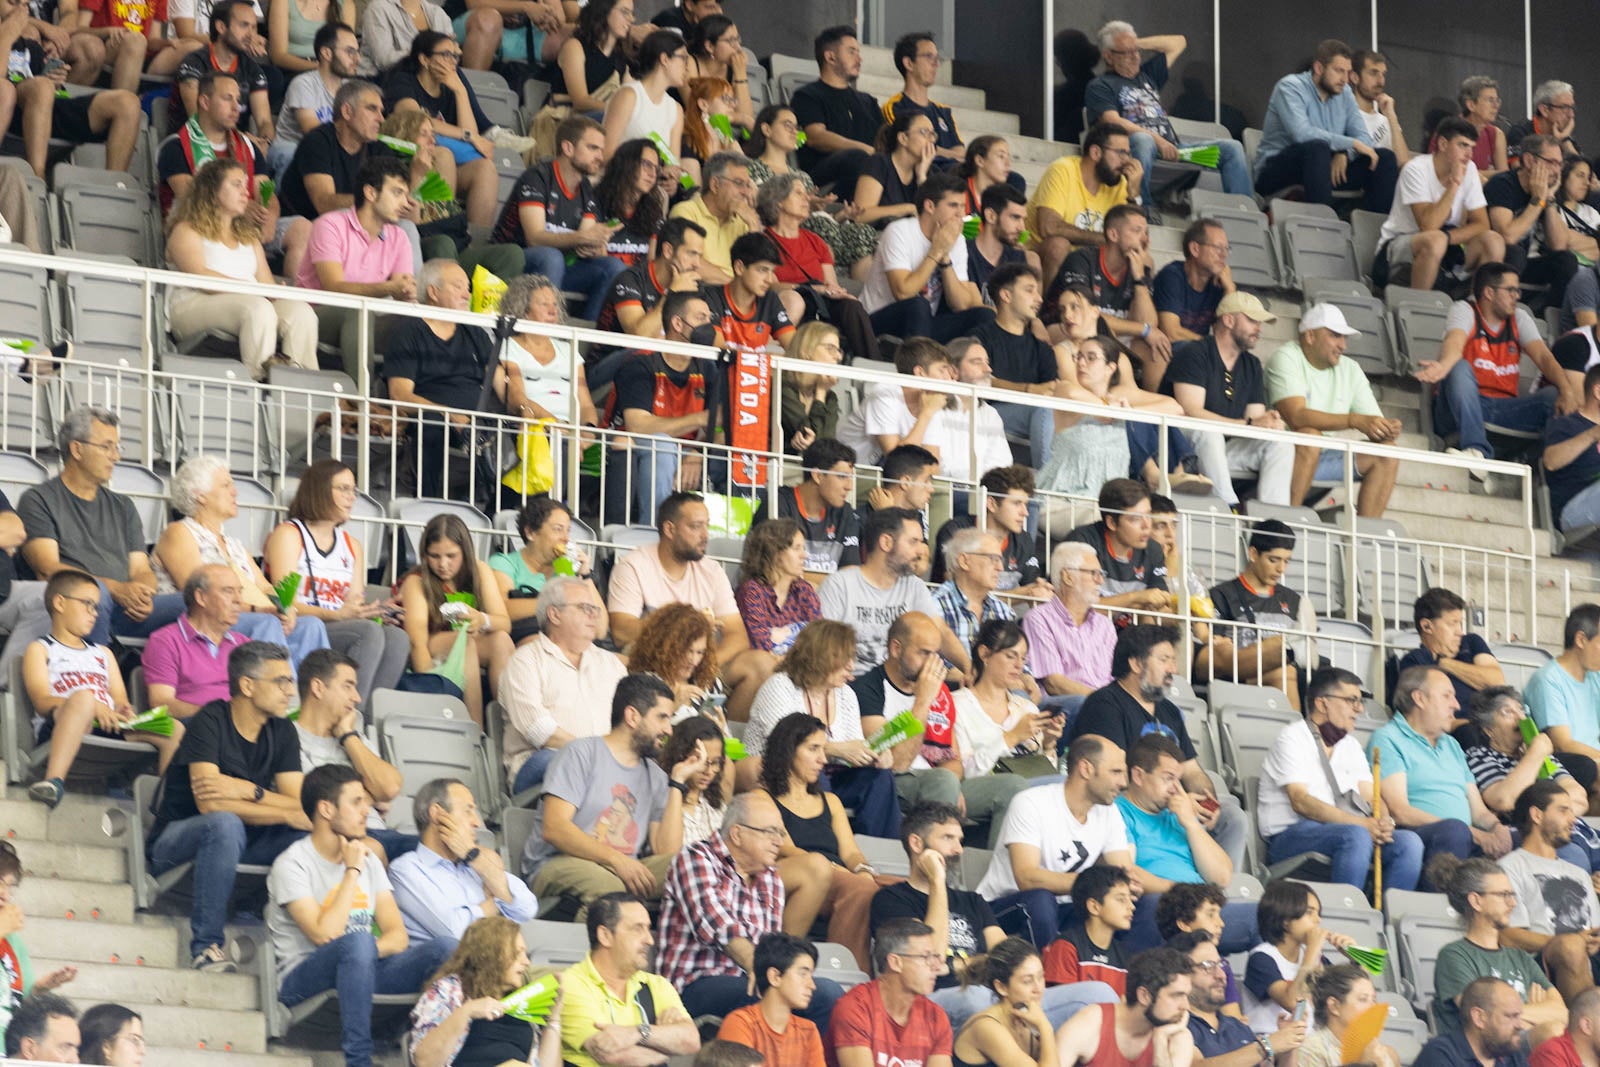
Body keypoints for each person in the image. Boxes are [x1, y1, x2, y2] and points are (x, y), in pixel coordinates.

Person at [267, 764, 454, 1067]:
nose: (367, 811)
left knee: (446, 947)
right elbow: (324, 935)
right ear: (326, 809)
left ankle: (432, 1052)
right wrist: (352, 871)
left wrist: (361, 956)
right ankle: (358, 1060)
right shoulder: (292, 864)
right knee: (358, 942)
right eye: (356, 802)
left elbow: (398, 936)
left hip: (361, 968)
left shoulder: (370, 862)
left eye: (366, 802)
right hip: (302, 979)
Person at [876, 804, 1117, 1031]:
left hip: (999, 995)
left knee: (1100, 993)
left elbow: (1010, 960)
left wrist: (957, 965)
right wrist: (937, 882)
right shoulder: (891, 900)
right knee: (976, 997)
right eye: (948, 838)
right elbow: (932, 958)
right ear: (917, 843)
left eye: (960, 840)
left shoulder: (973, 901)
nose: (959, 850)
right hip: (937, 1000)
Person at [147, 641, 308, 973]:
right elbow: (211, 804)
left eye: (290, 682)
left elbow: (300, 804)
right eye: (281, 681)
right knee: (225, 823)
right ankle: (206, 946)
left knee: (312, 832)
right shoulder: (210, 720)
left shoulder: (282, 730)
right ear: (247, 685)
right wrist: (285, 810)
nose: (290, 692)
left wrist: (250, 791)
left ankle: (299, 954)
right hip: (176, 841)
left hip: (241, 838)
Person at [659, 792, 843, 1026]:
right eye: (771, 832)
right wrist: (761, 969)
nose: (779, 842)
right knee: (772, 995)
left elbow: (770, 944)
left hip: (749, 981)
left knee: (828, 994)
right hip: (695, 985)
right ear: (737, 834)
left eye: (781, 833)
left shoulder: (770, 877)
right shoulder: (695, 858)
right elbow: (718, 925)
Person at [1069, 625, 1246, 869]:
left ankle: (1217, 886)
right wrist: (1177, 799)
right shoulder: (1105, 705)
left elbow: (1192, 770)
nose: (1173, 669)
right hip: (1130, 806)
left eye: (1173, 660)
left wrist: (1207, 803)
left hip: (1170, 803)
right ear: (1136, 664)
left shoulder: (1169, 711)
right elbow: (1111, 776)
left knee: (1232, 817)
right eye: (1164, 660)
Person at [521, 674, 693, 914]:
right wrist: (617, 859)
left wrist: (677, 782)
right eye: (662, 718)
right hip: (558, 862)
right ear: (632, 716)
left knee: (691, 865)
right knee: (614, 892)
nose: (669, 730)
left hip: (623, 869)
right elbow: (555, 829)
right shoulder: (580, 753)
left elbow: (665, 851)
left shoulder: (656, 776)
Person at [16, 411, 179, 647]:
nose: (116, 457)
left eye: (117, 448)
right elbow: (48, 569)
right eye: (106, 447)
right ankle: (98, 667)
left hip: (127, 608)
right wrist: (113, 589)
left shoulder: (124, 506)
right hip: (76, 605)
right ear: (77, 449)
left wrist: (142, 594)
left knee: (203, 601)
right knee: (94, 593)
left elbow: (141, 569)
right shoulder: (38, 500)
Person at [22, 569, 183, 807]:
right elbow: (41, 701)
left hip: (107, 723)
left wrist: (123, 709)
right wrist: (91, 705)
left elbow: (119, 699)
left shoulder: (103, 653)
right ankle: (53, 781)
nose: (94, 613)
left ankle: (165, 806)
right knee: (83, 698)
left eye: (96, 607)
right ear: (60, 603)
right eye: (87, 604)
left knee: (174, 728)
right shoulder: (41, 649)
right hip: (64, 722)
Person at [1259, 666, 1424, 894]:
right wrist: (1360, 824)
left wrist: (1384, 822)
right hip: (1291, 835)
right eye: (1351, 700)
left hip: (1344, 832)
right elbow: (1300, 801)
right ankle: (1347, 910)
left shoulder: (1350, 745)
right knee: (1355, 835)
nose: (1359, 709)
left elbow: (1371, 796)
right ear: (1322, 704)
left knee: (1409, 843)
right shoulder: (1293, 737)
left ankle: (1388, 915)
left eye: (1360, 701)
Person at [153, 456, 330, 668]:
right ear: (200, 495)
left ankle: (320, 689)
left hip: (252, 615)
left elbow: (265, 587)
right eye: (226, 485)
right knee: (267, 623)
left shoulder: (234, 545)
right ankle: (283, 689)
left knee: (311, 625)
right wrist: (261, 611)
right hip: (208, 620)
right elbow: (202, 596)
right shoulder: (179, 532)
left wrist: (286, 607)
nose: (235, 492)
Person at [608, 492, 771, 716]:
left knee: (760, 664)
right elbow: (621, 631)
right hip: (656, 664)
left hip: (703, 660)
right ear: (669, 529)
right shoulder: (633, 566)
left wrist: (704, 664)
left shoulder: (712, 570)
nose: (705, 535)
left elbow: (737, 635)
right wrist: (682, 630)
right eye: (695, 527)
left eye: (707, 526)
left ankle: (722, 730)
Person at [1415, 261, 1576, 485]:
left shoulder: (1519, 318)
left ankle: (1552, 476)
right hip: (1458, 407)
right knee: (1459, 367)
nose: (1517, 296)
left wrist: (1567, 390)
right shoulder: (1465, 310)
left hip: (1502, 409)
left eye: (1517, 290)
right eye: (1510, 290)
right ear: (1489, 293)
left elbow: (1543, 358)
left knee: (1553, 396)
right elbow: (1455, 342)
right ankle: (1476, 451)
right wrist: (1445, 364)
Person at [262, 460, 408, 699]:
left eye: (353, 490)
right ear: (319, 490)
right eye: (343, 489)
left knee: (397, 638)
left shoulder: (352, 545)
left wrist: (377, 610)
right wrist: (336, 614)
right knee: (367, 633)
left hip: (339, 624)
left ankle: (368, 714)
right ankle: (347, 709)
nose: (352, 497)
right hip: (302, 627)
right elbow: (283, 603)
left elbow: (353, 604)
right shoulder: (289, 534)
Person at [740, 621, 900, 839]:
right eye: (844, 659)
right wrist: (836, 749)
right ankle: (823, 846)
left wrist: (874, 755)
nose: (851, 666)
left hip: (830, 775)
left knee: (880, 778)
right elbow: (785, 746)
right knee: (812, 770)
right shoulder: (780, 686)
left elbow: (852, 749)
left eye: (852, 658)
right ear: (820, 656)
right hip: (778, 775)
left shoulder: (846, 694)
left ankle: (880, 850)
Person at [976, 735, 1135, 949]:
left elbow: (1123, 872)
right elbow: (1027, 878)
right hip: (1003, 906)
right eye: (1116, 772)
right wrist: (1092, 884)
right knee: (1041, 900)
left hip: (1064, 906)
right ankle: (1046, 970)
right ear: (1086, 769)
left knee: (1132, 907)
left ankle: (1116, 968)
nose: (1123, 783)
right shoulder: (1031, 803)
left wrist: (1128, 887)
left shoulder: (1110, 812)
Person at [163, 155, 315, 380]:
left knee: (301, 312)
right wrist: (253, 290)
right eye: (236, 185)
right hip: (191, 305)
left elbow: (265, 283)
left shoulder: (248, 236)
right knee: (258, 308)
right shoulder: (186, 229)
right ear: (212, 190)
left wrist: (276, 291)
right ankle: (258, 382)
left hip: (247, 301)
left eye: (246, 185)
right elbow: (201, 277)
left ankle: (301, 386)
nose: (246, 192)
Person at [758, 712, 881, 971]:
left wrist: (863, 870)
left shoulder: (831, 801)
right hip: (805, 875)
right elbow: (786, 849)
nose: (823, 759)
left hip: (842, 876)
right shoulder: (763, 798)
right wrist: (835, 869)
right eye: (813, 749)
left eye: (824, 750)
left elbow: (851, 852)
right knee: (860, 889)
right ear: (789, 750)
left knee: (902, 890)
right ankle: (849, 973)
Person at [1085, 21, 1251, 206]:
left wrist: (1134, 43)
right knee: (1143, 140)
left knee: (1232, 149)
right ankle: (1142, 208)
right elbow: (1111, 120)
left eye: (1136, 51)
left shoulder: (1147, 75)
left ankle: (1244, 211)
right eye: (1127, 53)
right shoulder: (1100, 85)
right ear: (1108, 56)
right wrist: (1157, 140)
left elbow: (1179, 42)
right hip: (1135, 149)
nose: (1135, 58)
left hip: (1175, 150)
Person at [1266, 303, 1403, 515]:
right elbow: (1296, 417)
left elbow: (1371, 423)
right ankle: (1286, 523)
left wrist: (1385, 429)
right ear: (1310, 336)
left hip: (1324, 456)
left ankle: (1365, 533)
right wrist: (1353, 420)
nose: (1343, 345)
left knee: (1387, 452)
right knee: (1310, 435)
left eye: (1344, 338)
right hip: (1282, 454)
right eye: (1335, 336)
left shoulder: (1350, 369)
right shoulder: (1286, 357)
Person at [1372, 665, 1513, 871]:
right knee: (1455, 831)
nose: (1456, 705)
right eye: (1447, 696)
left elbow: (1479, 812)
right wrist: (1473, 833)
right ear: (1420, 698)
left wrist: (1498, 828)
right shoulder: (1388, 739)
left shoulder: (1452, 744)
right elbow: (1400, 812)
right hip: (1423, 839)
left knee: (1526, 839)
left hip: (1466, 838)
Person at [1162, 291, 1294, 507]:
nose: (1259, 328)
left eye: (1260, 322)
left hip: (1221, 452)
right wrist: (1249, 423)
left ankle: (1273, 518)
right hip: (1181, 450)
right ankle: (1228, 507)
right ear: (1229, 320)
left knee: (1281, 442)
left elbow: (1255, 420)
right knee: (1208, 432)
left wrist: (1269, 423)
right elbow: (1191, 411)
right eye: (1252, 320)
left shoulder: (1252, 364)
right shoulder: (1194, 353)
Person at [497, 575, 626, 794]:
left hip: (606, 765)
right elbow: (538, 730)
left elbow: (628, 721)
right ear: (554, 614)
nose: (594, 615)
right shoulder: (525, 661)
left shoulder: (611, 664)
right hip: (541, 764)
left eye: (595, 609)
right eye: (584, 608)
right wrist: (594, 755)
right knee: (565, 761)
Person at [292, 155, 417, 376]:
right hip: (315, 316)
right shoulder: (329, 225)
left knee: (418, 322)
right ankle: (362, 394)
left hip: (370, 317)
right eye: (397, 193)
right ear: (370, 193)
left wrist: (408, 293)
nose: (404, 203)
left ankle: (408, 393)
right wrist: (389, 288)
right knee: (357, 312)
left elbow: (402, 290)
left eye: (406, 195)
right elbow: (333, 287)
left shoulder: (399, 237)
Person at [601, 292, 717, 525]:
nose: (709, 326)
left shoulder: (709, 367)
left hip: (686, 450)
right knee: (661, 445)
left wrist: (697, 454)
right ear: (677, 323)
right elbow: (638, 425)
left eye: (709, 318)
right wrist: (699, 419)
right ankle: (657, 532)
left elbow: (721, 425)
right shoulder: (641, 363)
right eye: (701, 318)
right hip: (628, 444)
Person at [493, 115, 623, 320]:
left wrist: (594, 244)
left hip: (559, 266)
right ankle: (545, 330)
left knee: (613, 267)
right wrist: (581, 239)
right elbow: (534, 238)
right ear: (568, 148)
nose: (600, 156)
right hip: (515, 260)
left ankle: (586, 336)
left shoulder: (586, 189)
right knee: (551, 257)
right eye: (592, 148)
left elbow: (586, 236)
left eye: (601, 150)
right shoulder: (537, 177)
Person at [0, 0, 144, 181]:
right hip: (10, 109)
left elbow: (41, 78)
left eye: (24, 4)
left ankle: (115, 186)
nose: (21, 9)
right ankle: (38, 178)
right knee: (40, 88)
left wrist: (52, 78)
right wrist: (8, 33)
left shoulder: (30, 39)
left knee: (127, 103)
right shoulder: (10, 31)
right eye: (12, 3)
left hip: (44, 108)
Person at [290, 648, 412, 860]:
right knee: (371, 850)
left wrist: (347, 736)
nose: (356, 698)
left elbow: (390, 788)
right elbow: (313, 805)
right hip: (337, 838)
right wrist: (371, 796)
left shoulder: (355, 739)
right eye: (348, 686)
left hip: (381, 833)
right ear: (318, 688)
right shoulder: (288, 738)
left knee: (445, 851)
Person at [818, 506, 969, 677]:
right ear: (886, 543)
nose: (921, 551)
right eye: (913, 542)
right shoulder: (840, 585)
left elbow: (941, 631)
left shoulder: (914, 586)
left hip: (902, 684)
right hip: (851, 683)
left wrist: (969, 668)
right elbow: (820, 647)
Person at [1253, 38, 1398, 212]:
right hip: (1277, 171)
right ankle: (1322, 222)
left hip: (1324, 169)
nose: (1345, 79)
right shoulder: (1290, 87)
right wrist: (1350, 143)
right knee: (1317, 147)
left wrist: (1344, 153)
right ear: (1319, 68)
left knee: (1385, 158)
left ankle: (1375, 226)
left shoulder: (1344, 93)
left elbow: (1364, 138)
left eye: (1348, 72)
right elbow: (1302, 134)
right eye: (1339, 71)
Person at [558, 892, 702, 1067]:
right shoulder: (570, 985)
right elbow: (612, 1055)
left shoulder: (657, 985)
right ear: (605, 936)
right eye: (637, 929)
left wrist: (637, 1032)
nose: (649, 940)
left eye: (648, 928)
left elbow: (691, 1041)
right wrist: (664, 1043)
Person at [388, 777, 538, 945]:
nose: (477, 823)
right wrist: (496, 904)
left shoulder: (476, 864)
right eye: (468, 811)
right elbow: (454, 932)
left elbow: (527, 909)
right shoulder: (407, 870)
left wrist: (473, 856)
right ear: (437, 814)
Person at [396, 512, 515, 725]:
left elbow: (504, 623)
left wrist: (482, 619)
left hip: (463, 640)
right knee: (465, 642)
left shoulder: (480, 570)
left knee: (501, 640)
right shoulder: (416, 581)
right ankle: (476, 727)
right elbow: (417, 641)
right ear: (424, 554)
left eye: (451, 556)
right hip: (429, 644)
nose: (443, 564)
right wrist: (429, 685)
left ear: (465, 552)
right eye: (435, 556)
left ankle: (510, 723)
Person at [1428, 855, 1566, 1034]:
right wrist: (1536, 1013)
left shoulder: (1520, 957)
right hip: (1486, 1050)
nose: (1513, 903)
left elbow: (1562, 1013)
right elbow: (1483, 1018)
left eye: (1512, 895)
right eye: (1503, 895)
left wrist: (1510, 1015)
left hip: (1527, 1044)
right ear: (1476, 901)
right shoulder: (1454, 956)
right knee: (1552, 1031)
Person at [380, 32, 502, 229]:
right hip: (406, 159)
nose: (453, 61)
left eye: (455, 56)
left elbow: (471, 139)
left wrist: (461, 92)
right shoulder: (404, 81)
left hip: (443, 166)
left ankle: (475, 239)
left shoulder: (450, 90)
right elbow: (415, 120)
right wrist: (468, 136)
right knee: (444, 155)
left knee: (485, 169)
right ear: (424, 59)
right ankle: (442, 231)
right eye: (446, 54)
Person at [408, 917, 564, 1067]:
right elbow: (424, 1062)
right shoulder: (450, 989)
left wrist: (554, 1019)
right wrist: (466, 1011)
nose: (526, 962)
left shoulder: (520, 1003)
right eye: (517, 954)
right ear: (491, 954)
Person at [1495, 779, 1600, 1001]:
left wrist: (1593, 940)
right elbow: (1507, 936)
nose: (1573, 819)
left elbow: (1595, 930)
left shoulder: (1579, 873)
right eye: (1563, 810)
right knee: (1570, 946)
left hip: (1590, 959)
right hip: (1542, 965)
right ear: (1537, 815)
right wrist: (1572, 941)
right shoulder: (1509, 868)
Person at [860, 171, 994, 343]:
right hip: (877, 319)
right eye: (953, 205)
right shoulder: (899, 231)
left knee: (984, 316)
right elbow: (903, 293)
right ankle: (920, 358)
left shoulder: (957, 240)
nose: (960, 214)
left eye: (963, 206)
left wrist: (945, 258)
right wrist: (936, 251)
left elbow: (961, 304)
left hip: (923, 323)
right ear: (930, 206)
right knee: (918, 304)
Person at [1378, 111, 1502, 290]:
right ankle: (1420, 304)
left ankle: (1475, 303)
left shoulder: (1470, 169)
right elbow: (1428, 226)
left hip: (1446, 242)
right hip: (1400, 245)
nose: (1469, 154)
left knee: (1493, 241)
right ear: (1443, 144)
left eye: (1472, 148)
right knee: (1434, 240)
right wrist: (1454, 185)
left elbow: (1482, 224)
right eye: (1463, 145)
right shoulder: (1415, 169)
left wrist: (1449, 237)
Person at [1116, 735, 1235, 921]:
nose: (1176, 789)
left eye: (1178, 780)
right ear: (1138, 775)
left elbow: (1222, 877)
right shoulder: (1117, 813)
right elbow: (1125, 871)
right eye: (1168, 778)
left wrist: (1191, 824)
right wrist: (1186, 892)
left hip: (1199, 904)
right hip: (1159, 906)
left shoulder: (1178, 812)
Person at [759, 172, 876, 357]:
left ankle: (872, 368)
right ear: (779, 201)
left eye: (806, 194)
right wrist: (811, 289)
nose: (807, 198)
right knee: (797, 301)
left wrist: (840, 293)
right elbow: (769, 285)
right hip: (789, 303)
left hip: (818, 304)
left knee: (851, 307)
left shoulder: (815, 241)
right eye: (798, 193)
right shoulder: (764, 241)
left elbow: (831, 285)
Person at [1199, 520, 1313, 698]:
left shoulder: (1293, 601)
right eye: (1273, 560)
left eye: (1286, 561)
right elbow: (1214, 650)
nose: (1281, 569)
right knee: (1283, 670)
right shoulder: (1222, 595)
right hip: (1236, 679)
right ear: (1253, 554)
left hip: (1287, 676)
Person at [1054, 204, 1169, 381]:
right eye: (1137, 231)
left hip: (1116, 335)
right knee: (1103, 336)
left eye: (1146, 232)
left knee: (1157, 349)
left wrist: (1139, 278)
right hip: (1072, 328)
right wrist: (1144, 330)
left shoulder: (1138, 268)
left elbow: (1149, 323)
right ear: (1113, 235)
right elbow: (1082, 316)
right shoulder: (1082, 260)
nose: (1145, 239)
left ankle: (1145, 398)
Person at [1461, 687, 1598, 829]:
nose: (1521, 718)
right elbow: (1503, 799)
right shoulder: (1479, 756)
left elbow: (1579, 799)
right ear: (1488, 729)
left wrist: (1539, 815)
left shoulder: (1540, 754)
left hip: (1570, 830)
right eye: (1508, 712)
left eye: (1521, 710)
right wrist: (1535, 754)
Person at [829, 918, 954, 1067]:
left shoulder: (935, 1016)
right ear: (895, 962)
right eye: (925, 957)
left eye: (935, 957)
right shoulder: (855, 1008)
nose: (937, 967)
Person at [951, 618, 1063, 782]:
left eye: (1023, 659)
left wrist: (1048, 744)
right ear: (984, 654)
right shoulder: (957, 706)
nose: (1019, 665)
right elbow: (963, 773)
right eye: (1011, 656)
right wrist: (1012, 737)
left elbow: (1045, 776)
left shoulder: (1027, 708)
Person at [1028, 122, 1140, 285]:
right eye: (1121, 153)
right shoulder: (1063, 169)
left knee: (1142, 259)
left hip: (1090, 261)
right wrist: (1103, 239)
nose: (1127, 161)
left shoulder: (1120, 183)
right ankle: (1050, 302)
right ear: (1095, 152)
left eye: (1129, 154)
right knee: (1058, 246)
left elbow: (1134, 239)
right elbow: (1049, 227)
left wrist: (1133, 194)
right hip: (1040, 257)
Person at [1176, 928, 1307, 1067]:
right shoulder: (1178, 1025)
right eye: (1208, 966)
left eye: (1221, 964)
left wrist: (1289, 1043)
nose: (1221, 975)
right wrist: (1266, 1045)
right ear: (1181, 974)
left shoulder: (1237, 1026)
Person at [1239, 880, 1356, 1034]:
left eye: (1318, 913)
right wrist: (1312, 952)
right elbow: (1292, 1002)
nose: (1318, 920)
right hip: (1270, 1039)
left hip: (1307, 1041)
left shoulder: (1316, 958)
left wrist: (1355, 959)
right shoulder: (1262, 957)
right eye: (1310, 912)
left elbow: (1348, 997)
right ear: (1285, 920)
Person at [158, 69, 276, 220]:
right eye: (228, 98)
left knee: (299, 226)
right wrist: (241, 207)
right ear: (205, 102)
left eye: (238, 100)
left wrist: (267, 220)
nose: (236, 107)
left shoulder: (248, 146)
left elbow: (268, 197)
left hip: (249, 228)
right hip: (199, 228)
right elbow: (194, 199)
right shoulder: (176, 147)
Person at [1051, 948, 1199, 1067]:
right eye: (1176, 996)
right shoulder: (1091, 1023)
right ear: (1144, 996)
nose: (1185, 1006)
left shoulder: (1178, 1037)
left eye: (1186, 996)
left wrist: (1160, 1041)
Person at [487, 495, 599, 650]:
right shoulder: (505, 563)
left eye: (568, 531)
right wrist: (562, 605)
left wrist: (585, 575)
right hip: (525, 641)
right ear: (530, 532)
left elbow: (600, 628)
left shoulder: (565, 568)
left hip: (570, 642)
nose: (566, 539)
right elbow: (504, 609)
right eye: (558, 529)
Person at [592, 216, 705, 367]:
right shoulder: (631, 279)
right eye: (691, 254)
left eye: (700, 256)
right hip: (608, 367)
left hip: (653, 369)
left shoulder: (690, 286)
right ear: (668, 250)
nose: (697, 264)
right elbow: (638, 338)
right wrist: (671, 293)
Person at [1485, 136, 1582, 310]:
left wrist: (1549, 200)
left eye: (1560, 164)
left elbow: (1560, 245)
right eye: (1551, 162)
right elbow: (1507, 236)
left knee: (1566, 260)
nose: (1556, 170)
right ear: (1529, 160)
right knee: (1515, 253)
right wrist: (1537, 201)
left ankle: (1549, 315)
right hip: (1497, 260)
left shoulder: (1546, 190)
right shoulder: (1503, 184)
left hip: (1526, 265)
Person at [835, 335, 959, 467]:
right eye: (942, 370)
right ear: (920, 372)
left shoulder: (931, 404)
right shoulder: (885, 394)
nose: (949, 378)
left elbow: (933, 465)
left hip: (883, 472)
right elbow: (895, 458)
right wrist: (926, 414)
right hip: (848, 470)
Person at [1024, 541, 1117, 715]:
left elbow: (1115, 679)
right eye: (1093, 573)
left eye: (1101, 574)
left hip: (1106, 707)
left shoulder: (1105, 625)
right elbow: (1054, 683)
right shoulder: (1039, 618)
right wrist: (1105, 701)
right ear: (1067, 577)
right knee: (1083, 704)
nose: (1100, 580)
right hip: (1065, 707)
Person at [278, 79, 389, 225]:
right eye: (372, 109)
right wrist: (376, 200)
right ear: (347, 112)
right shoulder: (317, 142)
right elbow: (324, 204)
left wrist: (416, 173)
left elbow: (394, 200)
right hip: (306, 225)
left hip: (355, 224)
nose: (381, 119)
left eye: (381, 111)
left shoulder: (379, 149)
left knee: (405, 225)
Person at [929, 463, 1050, 597]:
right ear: (991, 504)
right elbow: (961, 594)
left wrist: (1039, 590)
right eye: (1016, 504)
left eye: (1025, 505)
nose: (1025, 512)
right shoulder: (954, 532)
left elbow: (1033, 588)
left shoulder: (1024, 540)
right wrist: (1022, 593)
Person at [0, 842, 76, 1047]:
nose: (4, 894)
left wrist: (39, 989)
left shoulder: (12, 940)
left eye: (9, 886)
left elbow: (13, 1005)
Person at [790, 25, 880, 197]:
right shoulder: (807, 96)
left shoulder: (868, 101)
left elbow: (884, 140)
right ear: (830, 57)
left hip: (869, 169)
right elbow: (815, 137)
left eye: (858, 52)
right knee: (857, 157)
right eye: (851, 52)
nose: (859, 59)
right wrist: (866, 150)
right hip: (824, 176)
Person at [751, 438, 860, 580]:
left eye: (850, 478)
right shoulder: (778, 503)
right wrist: (827, 583)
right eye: (842, 476)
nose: (849, 486)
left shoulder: (845, 512)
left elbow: (851, 576)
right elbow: (776, 571)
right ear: (818, 476)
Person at [1063, 479, 1174, 616]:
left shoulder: (1153, 550)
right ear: (1112, 523)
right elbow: (1076, 606)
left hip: (1132, 629)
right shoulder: (1082, 542)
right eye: (1136, 519)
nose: (1147, 526)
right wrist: (1134, 598)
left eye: (1148, 515)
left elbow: (1155, 611)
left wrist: (1187, 617)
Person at [715, 933, 828, 1067]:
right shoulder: (740, 1023)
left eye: (811, 975)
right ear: (775, 977)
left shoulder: (808, 1030)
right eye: (803, 974)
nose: (812, 985)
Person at [951, 938, 1065, 1067]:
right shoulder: (987, 1027)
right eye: (1027, 981)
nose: (1038, 988)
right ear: (1001, 987)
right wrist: (1045, 1028)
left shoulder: (1028, 1019)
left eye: (1040, 977)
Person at [267, 21, 357, 179]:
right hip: (294, 148)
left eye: (357, 52)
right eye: (350, 52)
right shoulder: (303, 84)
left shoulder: (350, 89)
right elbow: (313, 132)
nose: (357, 59)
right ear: (327, 53)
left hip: (329, 150)